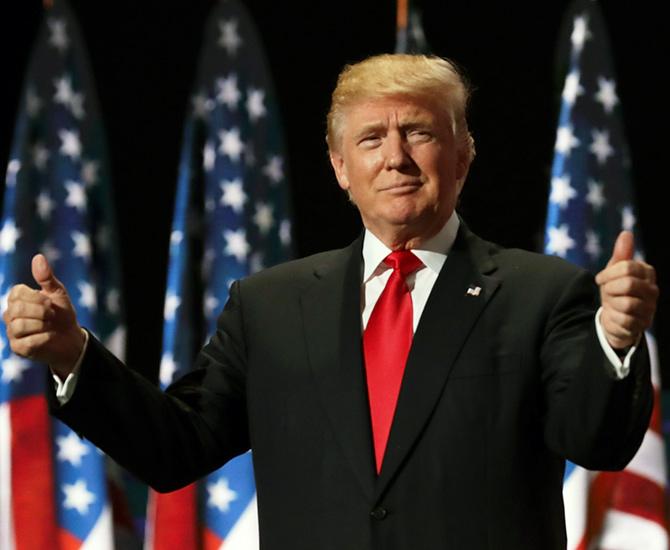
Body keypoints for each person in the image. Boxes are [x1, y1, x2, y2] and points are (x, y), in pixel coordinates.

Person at [2, 54, 658, 549]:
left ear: (463, 156)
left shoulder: (540, 293)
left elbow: (594, 441)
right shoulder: (270, 306)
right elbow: (177, 448)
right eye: (372, 139)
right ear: (341, 166)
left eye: (420, 133)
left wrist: (617, 343)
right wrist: (73, 357)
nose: (395, 157)